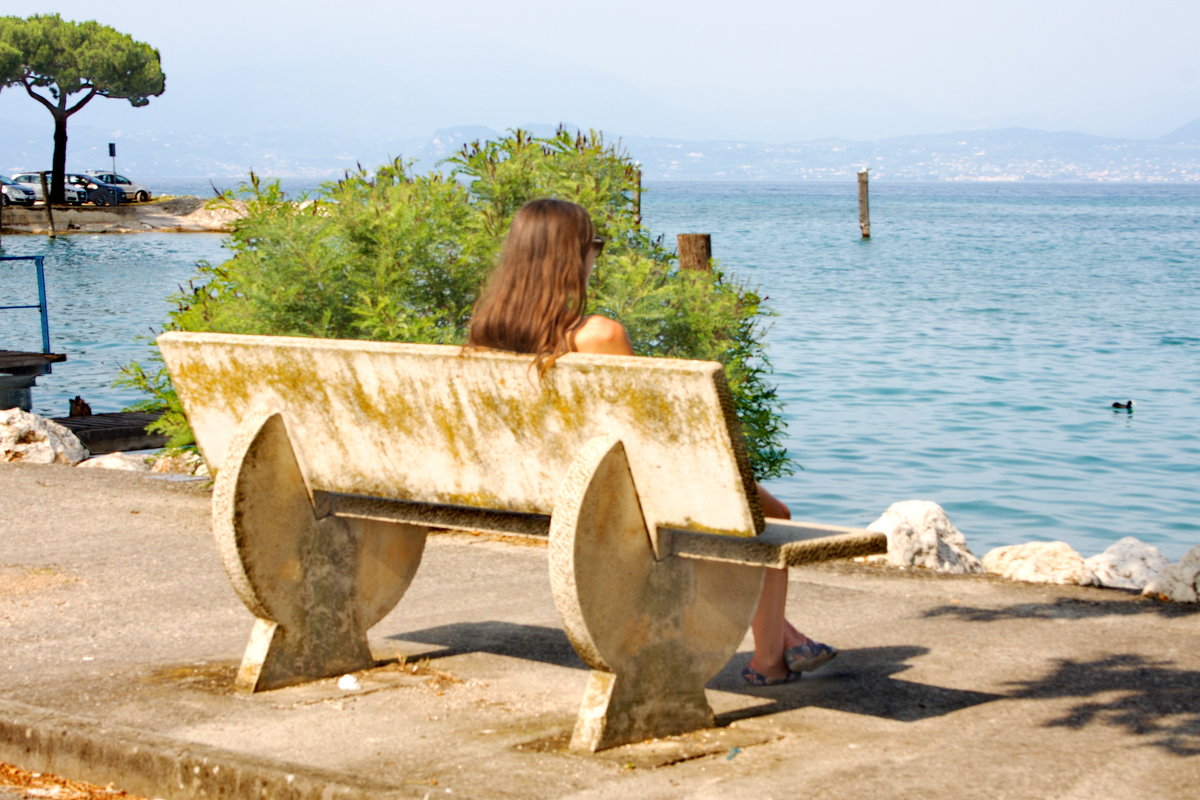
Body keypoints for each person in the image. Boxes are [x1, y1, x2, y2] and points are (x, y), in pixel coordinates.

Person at [468, 198, 837, 685]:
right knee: (769, 515)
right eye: (593, 244)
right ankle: (768, 662)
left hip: (534, 488)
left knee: (736, 513)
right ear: (569, 257)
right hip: (613, 494)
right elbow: (646, 435)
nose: (596, 255)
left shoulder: (485, 332)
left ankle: (788, 639)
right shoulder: (599, 335)